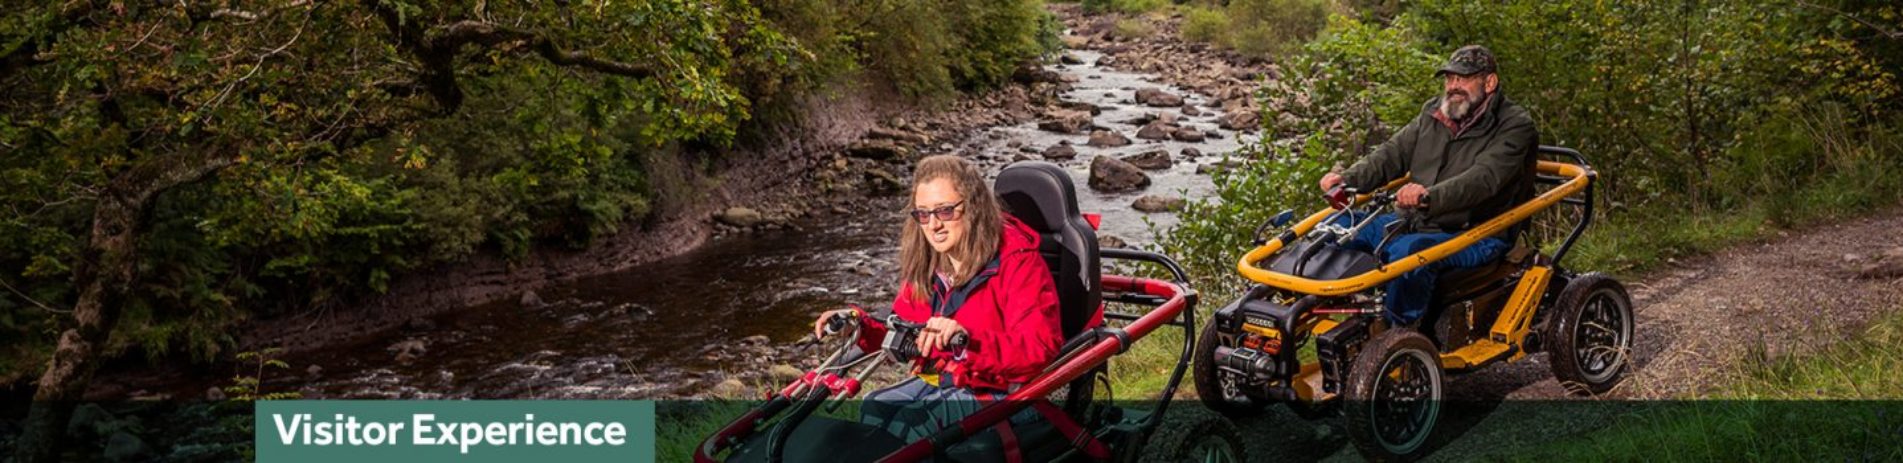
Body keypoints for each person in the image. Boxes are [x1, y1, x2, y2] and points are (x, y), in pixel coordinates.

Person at [811, 155, 1062, 442]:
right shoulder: (930, 264)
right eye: (923, 214)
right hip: (952, 382)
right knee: (875, 407)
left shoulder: (1017, 262)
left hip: (1009, 392)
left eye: (945, 211)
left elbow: (1038, 349)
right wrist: (859, 325)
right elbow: (905, 327)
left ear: (974, 207)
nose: (933, 225)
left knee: (911, 427)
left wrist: (967, 340)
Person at [1318, 44, 1539, 325]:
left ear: (1490, 82)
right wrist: (1347, 179)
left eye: (1463, 78)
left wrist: (1428, 197)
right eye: (1449, 78)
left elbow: (1484, 180)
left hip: (1476, 231)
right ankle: (1331, 322)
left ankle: (1400, 334)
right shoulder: (1435, 112)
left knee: (1407, 256)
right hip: (1415, 220)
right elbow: (1393, 153)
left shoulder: (1514, 126)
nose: (1453, 86)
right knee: (1333, 228)